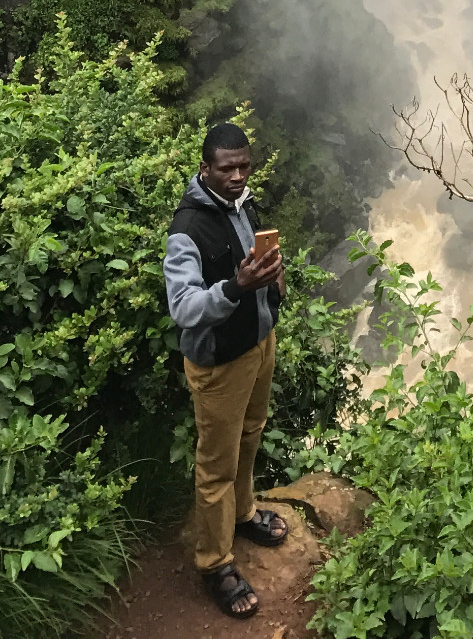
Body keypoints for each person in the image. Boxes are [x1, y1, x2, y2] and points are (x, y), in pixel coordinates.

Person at [164, 121, 289, 619]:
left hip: (258, 344)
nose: (238, 176)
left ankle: (242, 513)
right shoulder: (186, 230)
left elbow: (255, 270)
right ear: (205, 169)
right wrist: (236, 288)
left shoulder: (243, 205)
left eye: (244, 166)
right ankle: (214, 563)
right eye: (227, 168)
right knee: (216, 462)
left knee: (251, 434)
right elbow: (184, 307)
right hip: (218, 361)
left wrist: (273, 280)